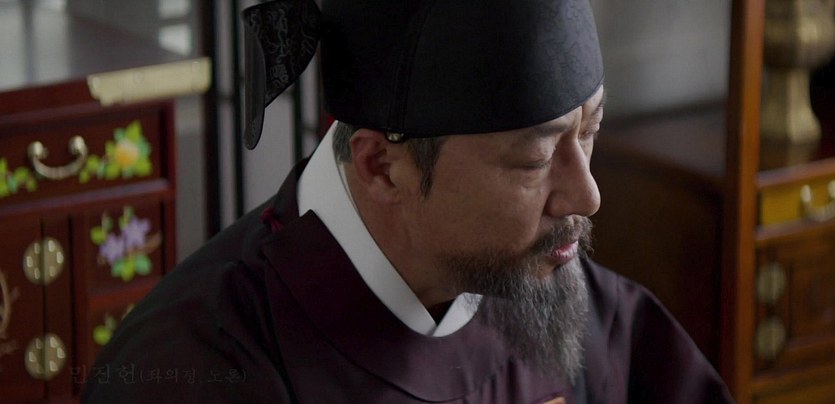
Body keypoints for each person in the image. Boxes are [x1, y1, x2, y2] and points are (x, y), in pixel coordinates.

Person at [82, 0, 734, 402]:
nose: (586, 196)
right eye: (535, 159)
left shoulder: (573, 303)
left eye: (588, 132)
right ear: (380, 167)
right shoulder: (198, 366)